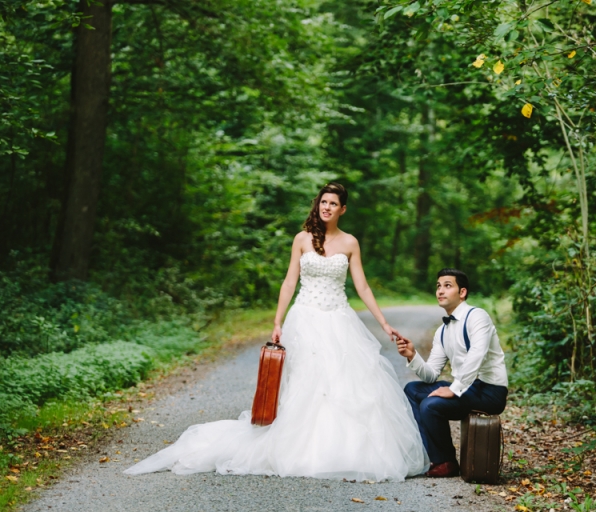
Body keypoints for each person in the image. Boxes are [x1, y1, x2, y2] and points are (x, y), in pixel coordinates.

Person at [125, 182, 429, 481]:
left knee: (343, 382)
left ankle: (341, 452)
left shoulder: (350, 243)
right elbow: (289, 282)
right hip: (305, 317)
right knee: (304, 382)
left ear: (343, 209)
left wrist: (384, 323)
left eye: (333, 203)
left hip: (339, 318)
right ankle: (297, 449)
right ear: (318, 204)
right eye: (323, 202)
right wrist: (277, 321)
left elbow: (361, 286)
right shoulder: (301, 239)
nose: (327, 207)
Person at [395, 268, 508, 478]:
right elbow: (430, 375)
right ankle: (437, 456)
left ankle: (446, 463)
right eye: (438, 286)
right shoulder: (442, 331)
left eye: (447, 286)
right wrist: (412, 355)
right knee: (413, 389)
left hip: (489, 390)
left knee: (431, 404)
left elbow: (477, 354)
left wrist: (454, 389)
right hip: (468, 388)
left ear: (462, 292)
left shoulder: (477, 316)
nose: (440, 291)